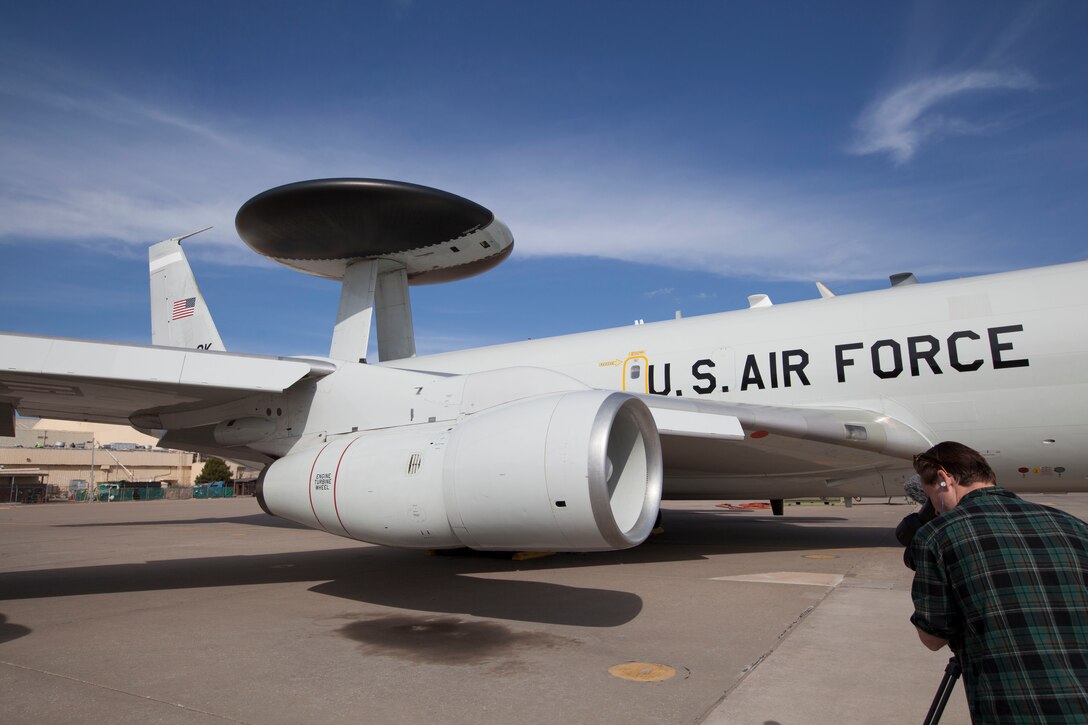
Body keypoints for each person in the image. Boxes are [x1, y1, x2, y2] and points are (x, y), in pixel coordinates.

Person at [909, 441, 1088, 722]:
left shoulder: (940, 534)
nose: (935, 508)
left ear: (944, 480)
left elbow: (932, 637)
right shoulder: (1074, 526)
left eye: (930, 495)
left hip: (1016, 703)